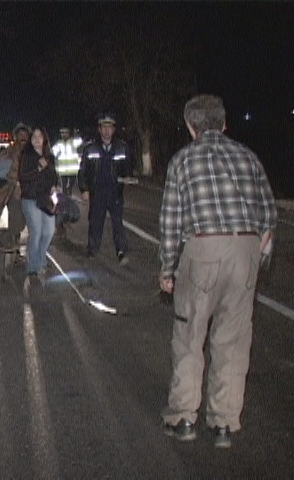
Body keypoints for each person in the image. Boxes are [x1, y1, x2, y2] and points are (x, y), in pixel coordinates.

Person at [158, 94, 277, 448]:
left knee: (190, 334)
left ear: (191, 127)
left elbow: (170, 221)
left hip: (203, 250)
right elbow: (269, 216)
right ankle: (224, 422)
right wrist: (258, 259)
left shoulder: (182, 160)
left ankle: (183, 417)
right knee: (233, 339)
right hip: (246, 248)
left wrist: (167, 268)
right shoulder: (248, 157)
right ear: (224, 124)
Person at [77, 112, 133, 264]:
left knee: (117, 223)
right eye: (104, 127)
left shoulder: (122, 147)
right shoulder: (90, 148)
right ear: (99, 129)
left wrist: (127, 178)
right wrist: (84, 190)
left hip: (115, 192)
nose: (107, 130)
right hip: (97, 192)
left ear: (114, 129)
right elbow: (83, 171)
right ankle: (93, 249)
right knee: (95, 221)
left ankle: (121, 251)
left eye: (110, 127)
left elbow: (127, 168)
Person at [19, 127, 59, 289]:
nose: (36, 139)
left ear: (44, 139)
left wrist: (55, 186)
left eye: (39, 136)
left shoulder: (49, 157)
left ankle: (41, 258)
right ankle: (33, 268)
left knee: (49, 231)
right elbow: (23, 177)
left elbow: (54, 176)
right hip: (30, 198)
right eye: (34, 136)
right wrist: (38, 169)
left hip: (46, 199)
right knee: (36, 232)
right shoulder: (27, 156)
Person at [1, 123, 31, 250]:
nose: (23, 137)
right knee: (15, 213)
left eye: (25, 135)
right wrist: (16, 182)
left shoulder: (32, 152)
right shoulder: (9, 151)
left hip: (30, 190)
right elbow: (3, 169)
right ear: (16, 136)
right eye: (20, 135)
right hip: (14, 190)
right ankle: (13, 240)